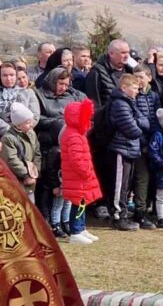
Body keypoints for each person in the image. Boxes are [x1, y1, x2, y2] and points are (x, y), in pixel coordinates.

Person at [34, 67, 85, 235]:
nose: (63, 87)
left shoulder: (73, 95)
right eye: (60, 83)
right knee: (47, 185)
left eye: (66, 84)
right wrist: (58, 121)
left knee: (64, 190)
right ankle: (47, 219)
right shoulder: (39, 95)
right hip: (48, 144)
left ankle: (65, 221)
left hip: (69, 145)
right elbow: (36, 118)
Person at [105, 74, 149, 231]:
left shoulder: (131, 103)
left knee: (125, 185)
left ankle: (123, 213)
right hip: (121, 148)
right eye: (135, 88)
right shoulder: (120, 104)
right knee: (119, 185)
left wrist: (138, 123)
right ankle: (118, 216)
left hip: (129, 148)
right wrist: (138, 124)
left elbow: (145, 121)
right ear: (124, 88)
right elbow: (133, 129)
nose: (137, 91)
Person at [60, 98, 102, 244]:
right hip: (78, 176)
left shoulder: (76, 134)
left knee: (82, 203)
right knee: (79, 203)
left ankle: (81, 228)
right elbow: (76, 159)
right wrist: (86, 171)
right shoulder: (73, 135)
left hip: (79, 176)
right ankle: (76, 231)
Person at [130, 64, 161, 230]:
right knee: (141, 178)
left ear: (149, 77)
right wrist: (143, 142)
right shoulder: (133, 96)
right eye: (136, 77)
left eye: (141, 77)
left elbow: (156, 118)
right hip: (139, 143)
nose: (138, 81)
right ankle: (139, 212)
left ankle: (148, 208)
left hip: (152, 142)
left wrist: (155, 140)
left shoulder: (154, 96)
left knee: (150, 178)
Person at [0, 103, 41, 206]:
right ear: (18, 125)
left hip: (31, 177)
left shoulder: (31, 133)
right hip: (17, 179)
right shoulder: (8, 138)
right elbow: (12, 160)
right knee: (20, 205)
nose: (31, 124)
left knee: (31, 205)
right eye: (27, 122)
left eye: (31, 121)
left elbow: (37, 152)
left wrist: (35, 172)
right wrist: (26, 174)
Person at [86, 39, 133, 108]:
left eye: (128, 52)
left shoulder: (130, 71)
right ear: (111, 53)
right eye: (123, 53)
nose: (127, 56)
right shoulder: (97, 72)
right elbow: (94, 102)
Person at [1, 62, 40, 136]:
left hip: (26, 133)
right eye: (5, 75)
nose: (9, 79)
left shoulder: (28, 92)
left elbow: (35, 115)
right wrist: (10, 131)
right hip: (4, 135)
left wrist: (25, 128)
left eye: (12, 75)